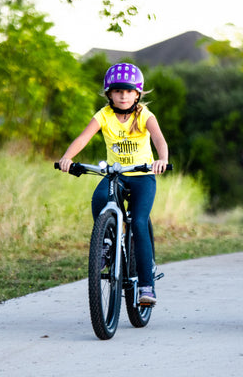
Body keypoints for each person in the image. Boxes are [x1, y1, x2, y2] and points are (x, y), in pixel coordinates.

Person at [58, 63, 169, 305]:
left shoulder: (145, 116)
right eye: (117, 91)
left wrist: (162, 160)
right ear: (109, 93)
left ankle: (146, 286)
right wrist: (68, 157)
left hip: (142, 176)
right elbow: (83, 137)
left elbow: (159, 139)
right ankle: (107, 243)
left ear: (137, 94)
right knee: (99, 199)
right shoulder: (104, 115)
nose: (123, 96)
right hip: (116, 174)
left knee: (139, 222)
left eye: (128, 91)